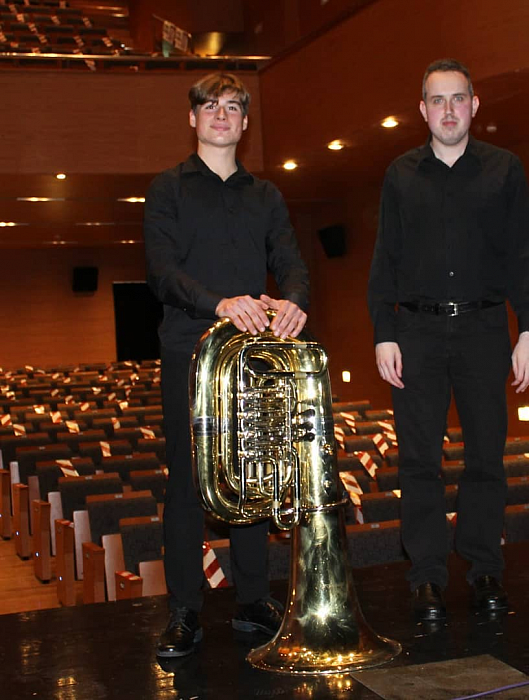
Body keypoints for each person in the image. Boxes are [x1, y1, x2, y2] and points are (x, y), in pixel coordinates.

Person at [367, 58, 529, 620]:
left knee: (487, 456)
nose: (448, 110)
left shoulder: (505, 169)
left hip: (485, 329)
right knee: (419, 462)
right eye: (437, 100)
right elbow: (384, 260)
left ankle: (486, 569)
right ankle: (427, 577)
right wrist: (383, 332)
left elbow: (524, 255)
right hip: (415, 331)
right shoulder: (399, 174)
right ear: (422, 110)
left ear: (474, 105)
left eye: (458, 99)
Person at [144, 72, 309, 658]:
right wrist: (220, 303)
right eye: (209, 106)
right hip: (189, 351)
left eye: (232, 107)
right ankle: (185, 610)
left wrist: (292, 300)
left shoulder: (265, 195)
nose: (221, 115)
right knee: (187, 484)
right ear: (193, 119)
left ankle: (250, 602)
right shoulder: (167, 189)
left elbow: (290, 260)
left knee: (250, 480)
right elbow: (160, 271)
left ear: (243, 123)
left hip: (249, 358)